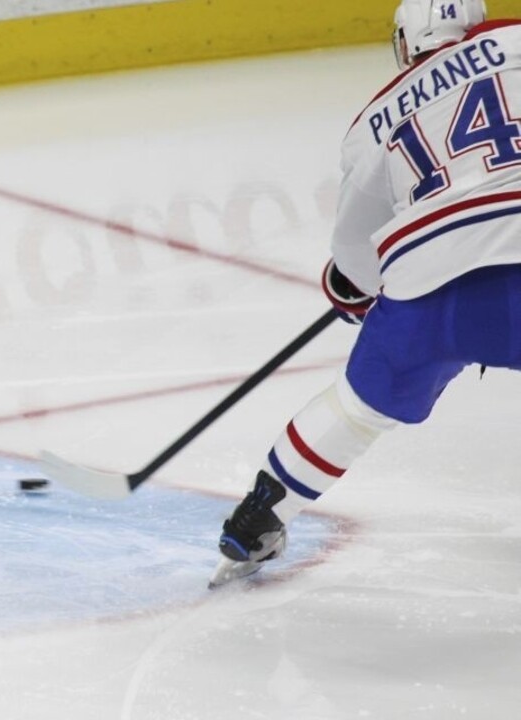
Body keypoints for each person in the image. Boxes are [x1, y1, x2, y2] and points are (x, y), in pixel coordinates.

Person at [210, 0, 516, 586]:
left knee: (356, 409)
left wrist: (354, 289)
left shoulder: (373, 122)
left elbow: (356, 256)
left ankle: (254, 524)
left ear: (405, 45)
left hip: (433, 282)